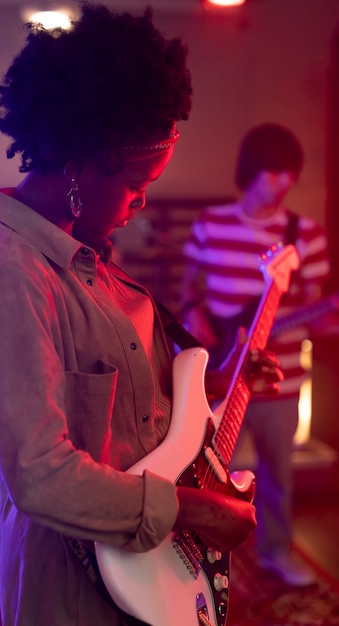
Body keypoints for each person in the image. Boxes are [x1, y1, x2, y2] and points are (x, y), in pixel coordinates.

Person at [0, 5, 281, 625]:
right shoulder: (7, 274)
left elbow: (130, 405)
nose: (143, 200)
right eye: (137, 181)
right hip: (74, 589)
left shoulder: (92, 257)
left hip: (147, 569)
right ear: (81, 164)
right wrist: (189, 510)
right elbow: (41, 474)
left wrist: (216, 381)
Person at [181, 122, 331, 587]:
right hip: (220, 377)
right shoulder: (211, 224)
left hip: (280, 380)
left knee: (277, 476)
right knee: (204, 473)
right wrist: (194, 315)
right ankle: (191, 556)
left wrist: (316, 321)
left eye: (291, 173)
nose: (283, 182)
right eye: (273, 171)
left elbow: (320, 308)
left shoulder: (306, 235)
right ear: (251, 171)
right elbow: (191, 285)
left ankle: (276, 552)